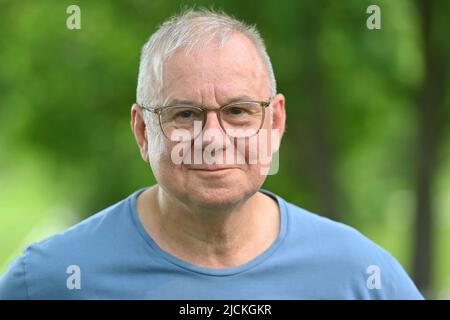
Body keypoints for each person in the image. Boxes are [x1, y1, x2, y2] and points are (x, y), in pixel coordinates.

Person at [0, 9, 423, 299]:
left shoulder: (361, 277)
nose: (213, 138)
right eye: (184, 114)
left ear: (274, 123)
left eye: (238, 111)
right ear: (143, 131)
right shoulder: (48, 280)